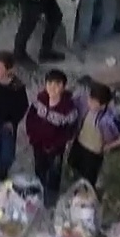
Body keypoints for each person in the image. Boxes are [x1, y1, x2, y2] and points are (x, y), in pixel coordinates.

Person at [26, 69, 84, 208]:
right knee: (39, 168)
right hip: (38, 144)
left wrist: (55, 145)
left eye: (58, 84)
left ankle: (50, 200)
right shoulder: (40, 99)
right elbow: (31, 117)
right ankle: (40, 189)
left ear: (63, 87)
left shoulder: (68, 109)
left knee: (54, 173)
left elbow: (70, 131)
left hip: (55, 150)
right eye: (50, 83)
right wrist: (31, 135)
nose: (53, 87)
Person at [70, 80, 120, 190]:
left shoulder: (108, 120)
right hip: (79, 145)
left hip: (93, 153)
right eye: (90, 99)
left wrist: (108, 146)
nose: (89, 103)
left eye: (93, 102)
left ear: (103, 105)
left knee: (88, 181)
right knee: (74, 169)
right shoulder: (85, 105)